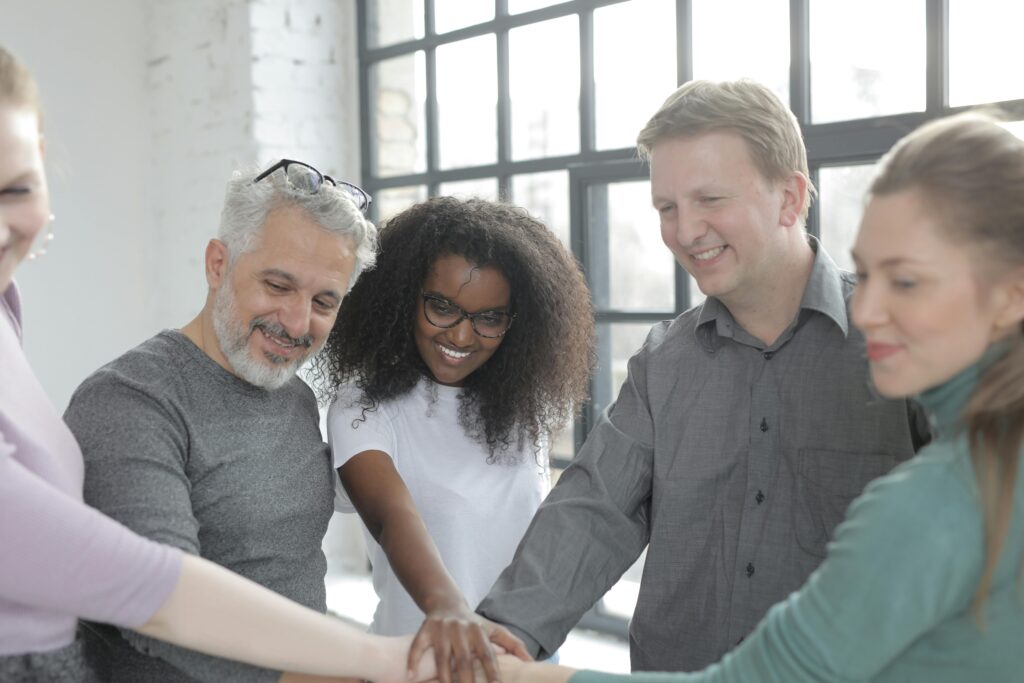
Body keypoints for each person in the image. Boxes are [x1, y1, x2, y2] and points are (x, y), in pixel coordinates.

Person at [490, 109, 1024, 683]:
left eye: (710, 200)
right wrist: (499, 635)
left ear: (791, 199)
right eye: (666, 208)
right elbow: (594, 509)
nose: (686, 230)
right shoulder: (662, 362)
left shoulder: (909, 354)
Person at [0, 45, 434, 683]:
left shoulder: (292, 399)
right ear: (216, 264)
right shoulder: (131, 399)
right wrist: (352, 669)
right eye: (277, 285)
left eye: (323, 301)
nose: (296, 322)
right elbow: (153, 612)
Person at [313, 197, 596, 683]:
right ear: (405, 296)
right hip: (417, 665)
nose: (462, 336)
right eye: (442, 307)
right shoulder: (363, 406)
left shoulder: (523, 409)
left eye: (489, 317)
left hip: (517, 663)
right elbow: (390, 515)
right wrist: (449, 609)